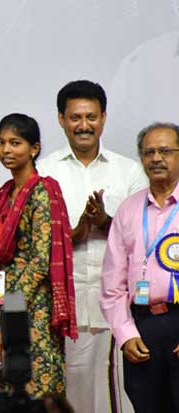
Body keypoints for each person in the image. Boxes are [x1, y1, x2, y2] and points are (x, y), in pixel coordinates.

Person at [37, 80, 145, 413]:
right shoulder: (44, 172)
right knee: (68, 394)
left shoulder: (129, 171)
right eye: (75, 117)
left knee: (117, 396)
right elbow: (35, 244)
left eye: (91, 117)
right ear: (61, 119)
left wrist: (106, 222)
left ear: (104, 118)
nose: (84, 125)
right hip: (62, 308)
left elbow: (146, 238)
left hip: (118, 308)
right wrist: (77, 232)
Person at [0, 113, 77, 401]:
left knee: (35, 389)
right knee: (0, 388)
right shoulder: (5, 193)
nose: (6, 150)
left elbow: (39, 262)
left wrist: (10, 318)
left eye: (15, 143)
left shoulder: (42, 192)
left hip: (32, 306)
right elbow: (5, 249)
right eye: (1, 143)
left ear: (34, 148)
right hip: (3, 299)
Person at [100, 122, 179, 413]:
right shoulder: (128, 209)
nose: (156, 158)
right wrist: (126, 335)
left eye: (165, 151)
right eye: (149, 152)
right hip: (141, 328)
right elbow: (112, 283)